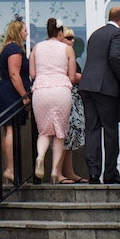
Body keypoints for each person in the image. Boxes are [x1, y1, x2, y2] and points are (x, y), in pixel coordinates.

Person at [79, 6, 120, 184]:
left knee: (92, 129)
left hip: (87, 85)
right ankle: (110, 173)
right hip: (105, 87)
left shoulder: (95, 34)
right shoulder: (118, 33)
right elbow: (114, 57)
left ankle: (93, 172)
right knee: (110, 129)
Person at [29, 18, 79, 183]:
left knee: (44, 132)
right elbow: (72, 77)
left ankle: (40, 156)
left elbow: (33, 74)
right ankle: (54, 171)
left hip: (40, 89)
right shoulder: (67, 49)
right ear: (60, 33)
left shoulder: (36, 48)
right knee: (60, 133)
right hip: (60, 90)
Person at [0, 18, 32, 183]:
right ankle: (10, 169)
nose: (27, 33)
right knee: (10, 130)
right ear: (17, 32)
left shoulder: (8, 48)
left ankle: (11, 169)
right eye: (24, 30)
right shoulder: (15, 49)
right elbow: (14, 74)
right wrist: (25, 96)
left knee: (11, 130)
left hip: (9, 92)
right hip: (13, 93)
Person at [60, 26, 87, 183]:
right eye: (68, 38)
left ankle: (69, 172)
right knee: (64, 135)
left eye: (72, 38)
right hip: (66, 97)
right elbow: (70, 76)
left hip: (74, 97)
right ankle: (59, 172)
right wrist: (87, 78)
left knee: (70, 137)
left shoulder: (71, 56)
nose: (72, 41)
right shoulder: (62, 56)